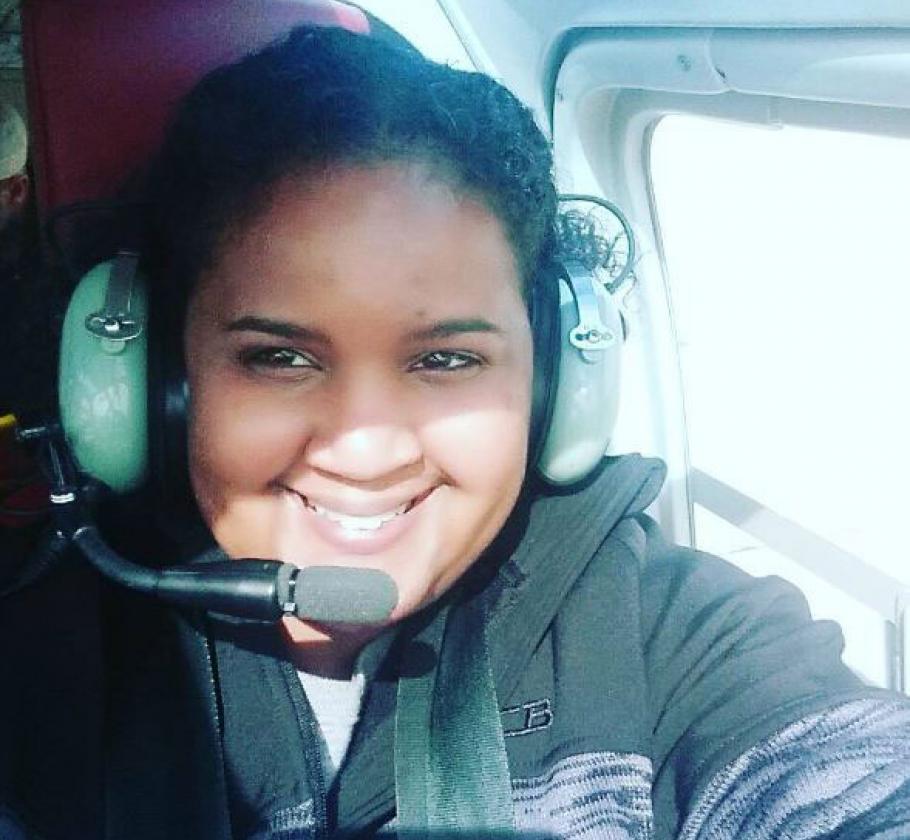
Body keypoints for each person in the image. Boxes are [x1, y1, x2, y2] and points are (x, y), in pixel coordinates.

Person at [2, 18, 909, 840]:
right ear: (154, 379)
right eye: (280, 357)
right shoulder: (35, 663)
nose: (367, 448)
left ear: (557, 375)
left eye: (444, 361)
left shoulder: (669, 632)